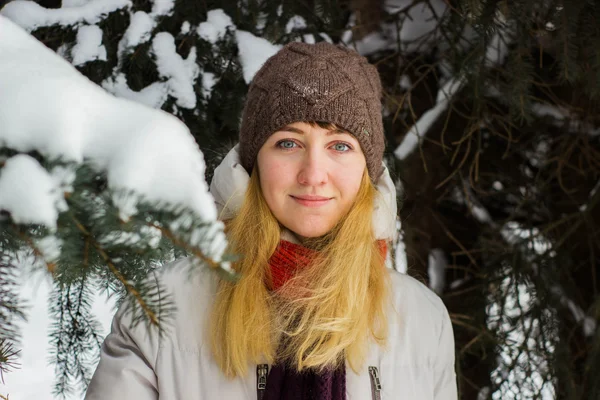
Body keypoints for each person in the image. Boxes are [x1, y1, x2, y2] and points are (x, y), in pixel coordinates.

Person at [85, 42, 457, 400]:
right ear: (253, 163)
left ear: (367, 170)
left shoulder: (422, 319)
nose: (313, 174)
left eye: (340, 146)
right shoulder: (162, 305)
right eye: (288, 143)